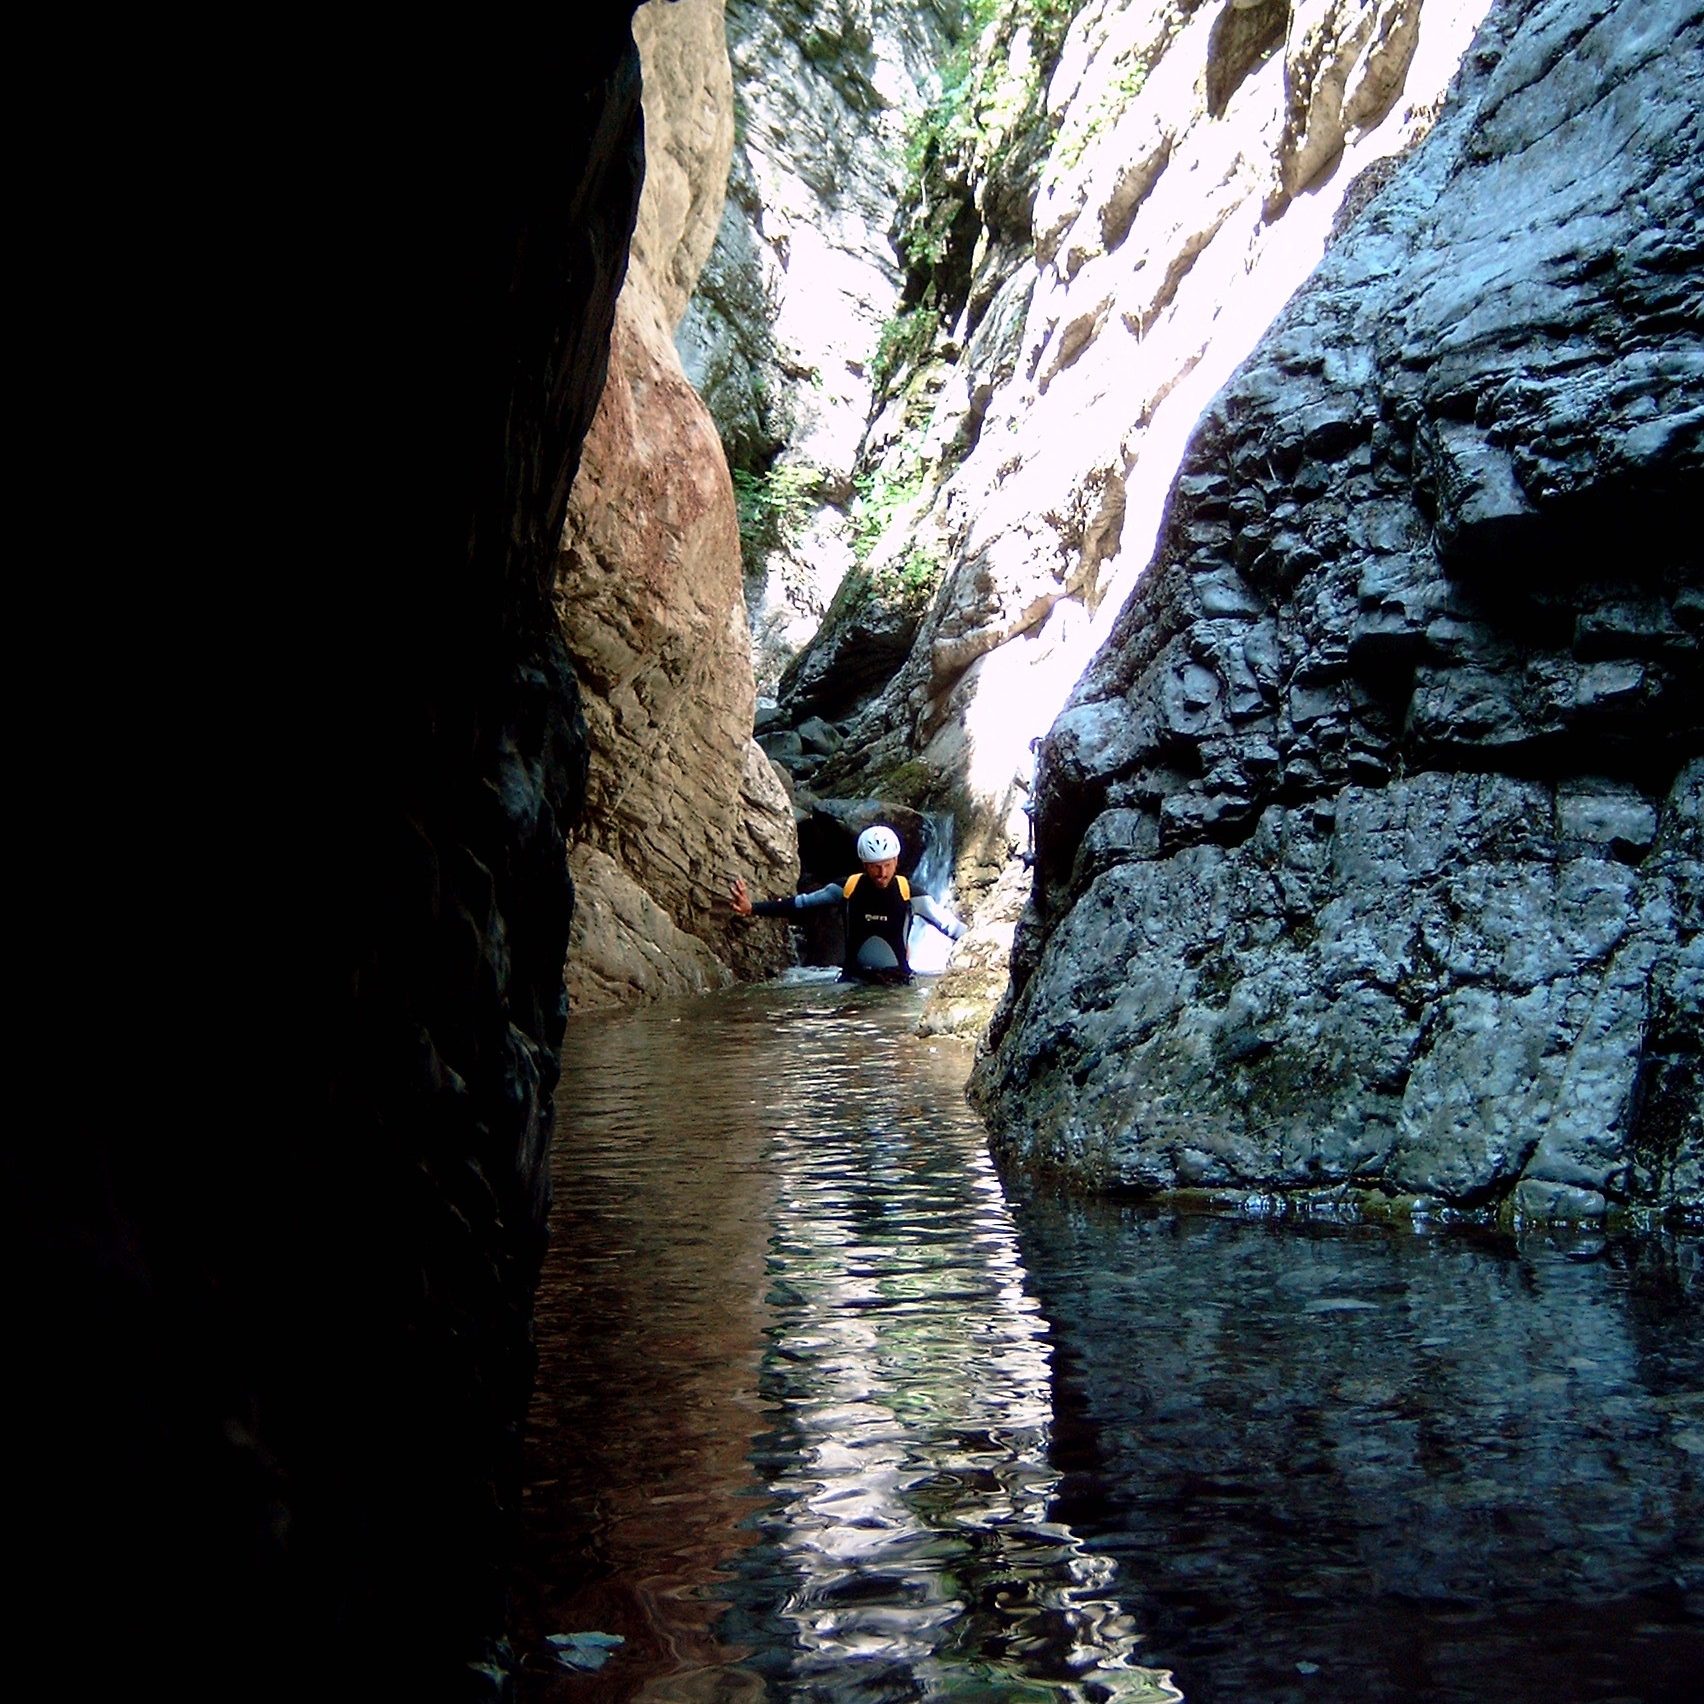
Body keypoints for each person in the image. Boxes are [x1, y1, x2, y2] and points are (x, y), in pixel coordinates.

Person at [729, 824, 965, 985]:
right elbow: (801, 904)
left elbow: (950, 927)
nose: (881, 872)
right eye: (875, 866)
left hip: (897, 984)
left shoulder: (910, 894)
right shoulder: (847, 888)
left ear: (895, 861)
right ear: (864, 864)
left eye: (886, 865)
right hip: (853, 982)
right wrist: (752, 908)